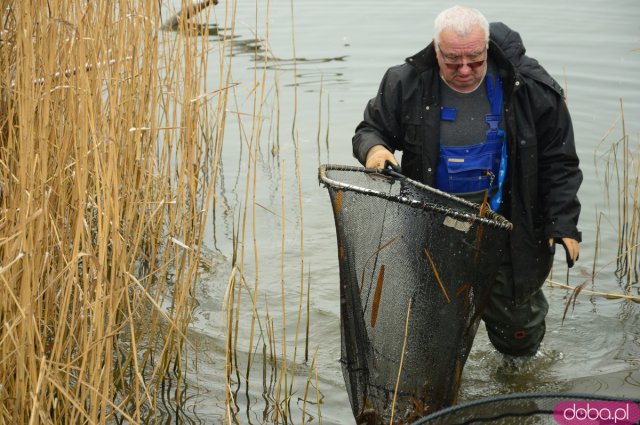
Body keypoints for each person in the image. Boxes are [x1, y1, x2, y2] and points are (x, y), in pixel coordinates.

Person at [352, 6, 582, 359]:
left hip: (509, 226)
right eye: (452, 60)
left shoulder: (530, 88)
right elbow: (370, 129)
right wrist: (375, 150)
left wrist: (563, 222)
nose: (464, 70)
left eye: (474, 60)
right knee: (434, 330)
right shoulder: (406, 82)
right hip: (432, 228)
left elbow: (560, 162)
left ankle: (516, 383)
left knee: (519, 332)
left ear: (487, 48)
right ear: (436, 49)